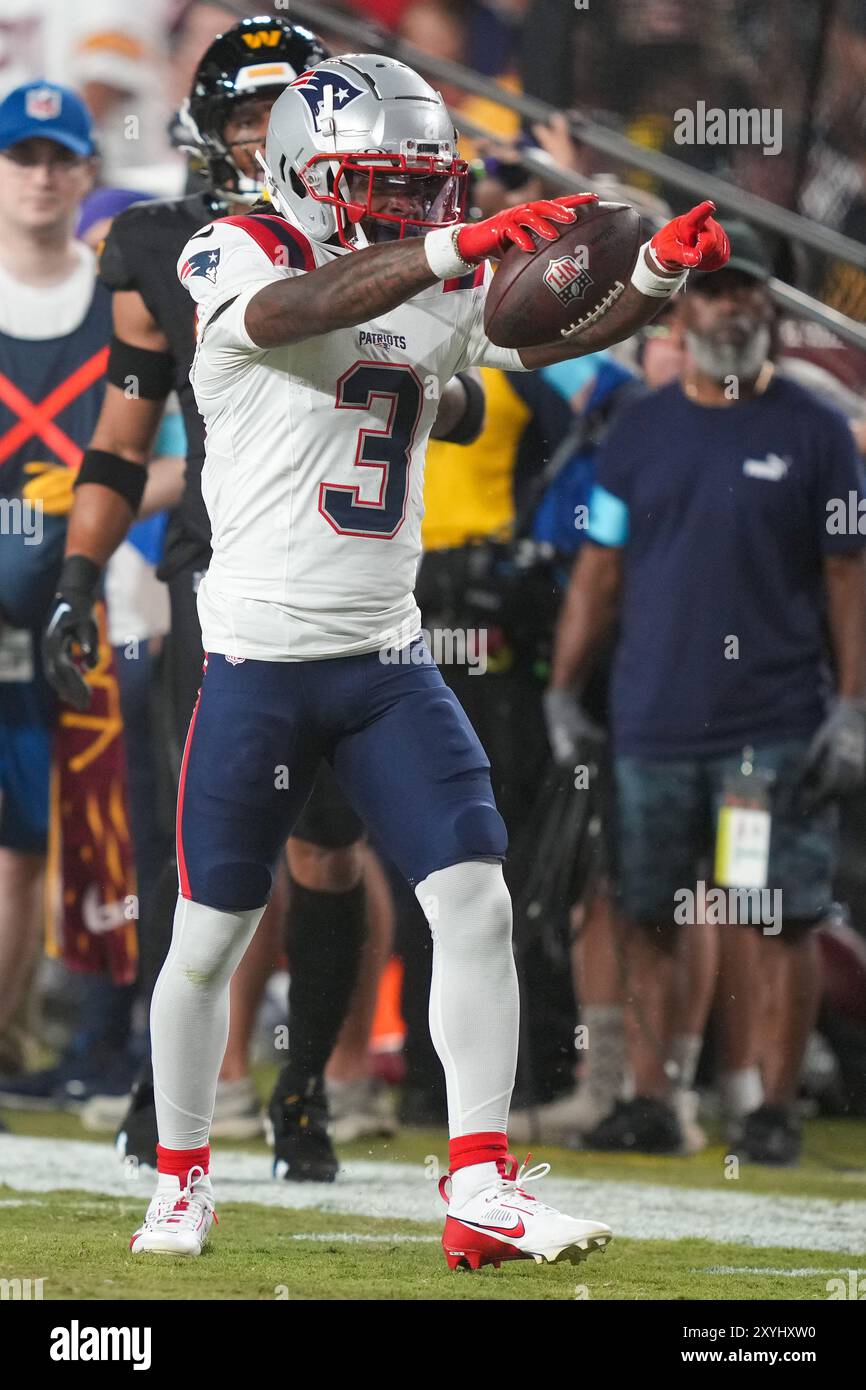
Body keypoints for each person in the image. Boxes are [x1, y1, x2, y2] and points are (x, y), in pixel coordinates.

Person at [55, 51, 727, 1263]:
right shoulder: (235, 250)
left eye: (423, 187)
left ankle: (478, 1186)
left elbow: (541, 332)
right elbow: (293, 315)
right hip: (257, 662)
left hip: (385, 661)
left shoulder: (431, 272)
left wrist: (649, 274)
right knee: (208, 935)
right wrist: (448, 254)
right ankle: (182, 1176)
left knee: (471, 898)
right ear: (306, 172)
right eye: (381, 183)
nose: (410, 208)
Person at [42, 15, 486, 1178]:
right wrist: (81, 573)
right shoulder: (168, 244)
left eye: (276, 116)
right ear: (211, 133)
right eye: (242, 119)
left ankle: (306, 1087)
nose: (259, 139)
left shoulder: (389, 233)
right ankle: (172, 1094)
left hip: (350, 574)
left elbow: (470, 396)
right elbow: (119, 437)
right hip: (222, 575)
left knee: (334, 852)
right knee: (195, 862)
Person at [546, 223, 866, 1163]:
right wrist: (566, 690)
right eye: (715, 292)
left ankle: (771, 1110)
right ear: (679, 310)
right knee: (649, 907)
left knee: (773, 913)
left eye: (748, 292)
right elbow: (600, 568)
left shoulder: (817, 430)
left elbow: (851, 578)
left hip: (768, 729)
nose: (734, 307)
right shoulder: (639, 427)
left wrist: (852, 706)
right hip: (652, 721)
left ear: (767, 305)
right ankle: (654, 1098)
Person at [0, 81, 103, 1090]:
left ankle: (21, 1041)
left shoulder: (118, 298)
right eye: (20, 156)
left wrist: (93, 488)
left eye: (56, 157)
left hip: (83, 605)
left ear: (85, 171)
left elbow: (180, 453)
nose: (38, 175)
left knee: (38, 840)